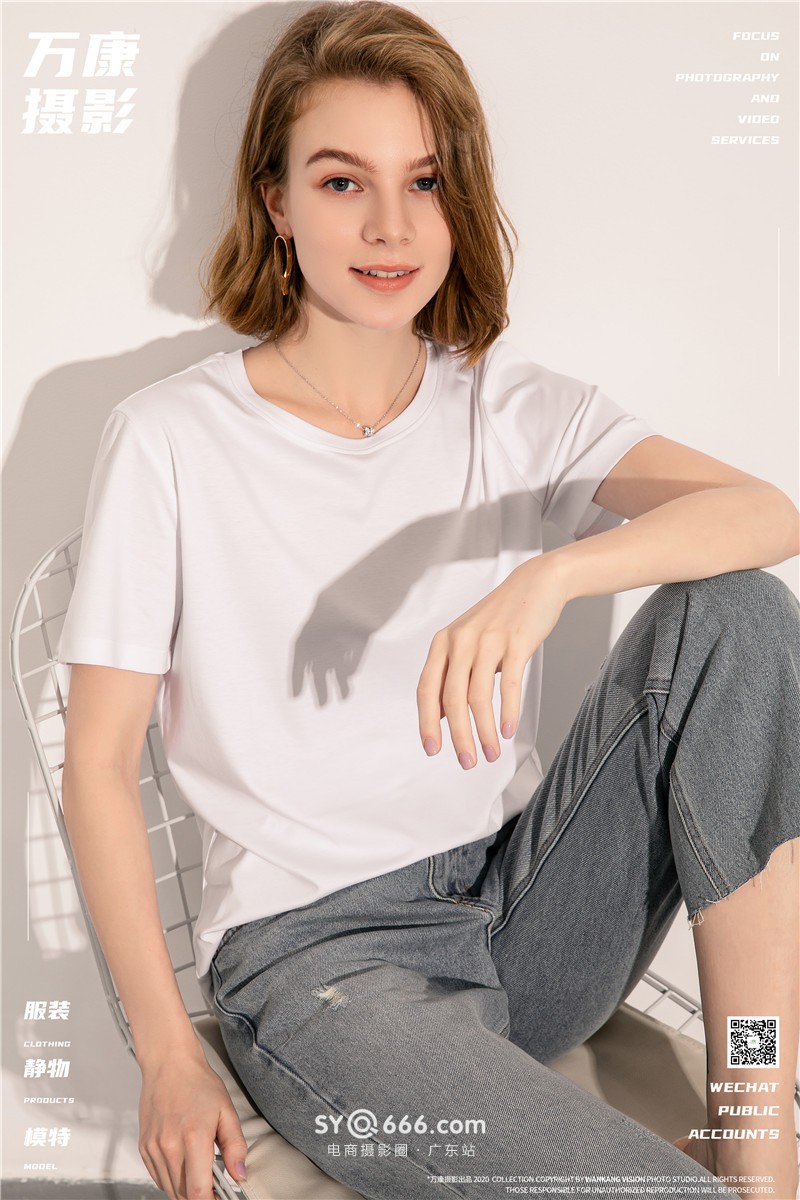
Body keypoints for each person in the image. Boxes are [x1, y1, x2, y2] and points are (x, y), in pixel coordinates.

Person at [56, 3, 800, 1199]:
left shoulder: (513, 409)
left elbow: (765, 512)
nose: (390, 227)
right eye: (341, 181)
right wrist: (164, 1056)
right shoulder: (171, 439)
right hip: (324, 965)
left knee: (736, 613)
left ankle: (756, 1142)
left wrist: (552, 574)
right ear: (274, 201)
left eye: (425, 181)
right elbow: (95, 765)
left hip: (521, 910)